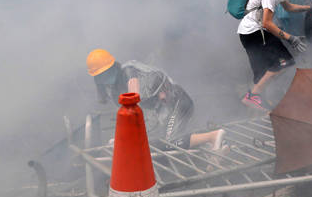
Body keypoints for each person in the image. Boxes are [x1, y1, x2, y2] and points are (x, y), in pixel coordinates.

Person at [86, 49, 225, 150]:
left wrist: (125, 138)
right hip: (163, 113)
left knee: (170, 142)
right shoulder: (115, 92)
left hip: (177, 102)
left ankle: (213, 136)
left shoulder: (128, 70)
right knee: (158, 142)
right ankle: (214, 146)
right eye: (100, 75)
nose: (104, 77)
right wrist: (121, 138)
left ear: (114, 66)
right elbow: (127, 117)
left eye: (107, 71)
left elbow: (133, 101)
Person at [238, 0, 312, 111]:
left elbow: (289, 7)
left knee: (264, 71)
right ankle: (252, 96)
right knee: (283, 62)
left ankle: (257, 100)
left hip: (254, 32)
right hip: (254, 32)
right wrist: (291, 38)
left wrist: (310, 8)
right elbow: (267, 23)